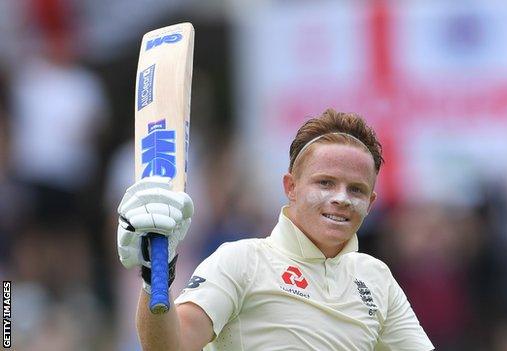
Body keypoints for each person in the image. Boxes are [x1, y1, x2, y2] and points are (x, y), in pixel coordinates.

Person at [117, 108, 434, 350]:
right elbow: (170, 347)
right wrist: (151, 278)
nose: (341, 199)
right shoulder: (241, 260)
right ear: (291, 187)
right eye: (325, 183)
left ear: (371, 201)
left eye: (356, 190)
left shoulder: (375, 277)